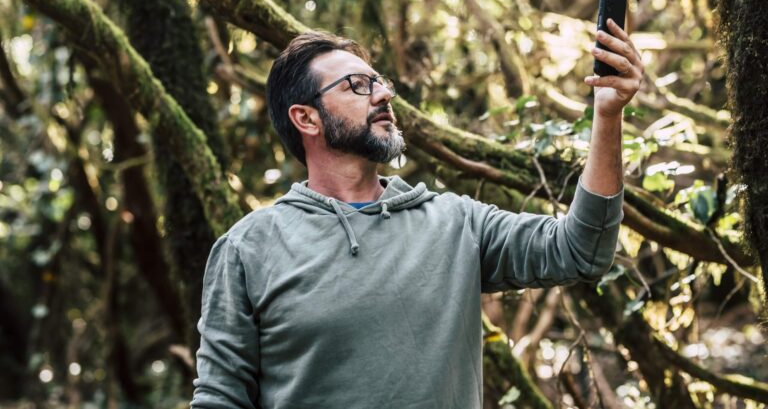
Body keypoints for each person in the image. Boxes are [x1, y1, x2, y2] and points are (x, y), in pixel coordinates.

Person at [191, 20, 643, 409]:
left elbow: (581, 250)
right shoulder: (248, 248)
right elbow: (219, 398)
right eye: (357, 86)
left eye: (379, 80)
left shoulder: (455, 222)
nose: (384, 93)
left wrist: (607, 116)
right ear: (306, 119)